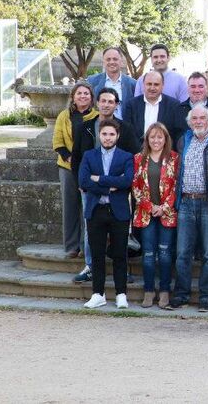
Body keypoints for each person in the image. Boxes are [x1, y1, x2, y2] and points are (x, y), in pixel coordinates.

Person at [70, 88, 139, 284]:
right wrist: (80, 182)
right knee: (90, 230)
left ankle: (121, 270)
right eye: (103, 101)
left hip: (118, 191)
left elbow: (134, 156)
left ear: (116, 105)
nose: (106, 105)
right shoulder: (85, 127)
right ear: (97, 103)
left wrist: (116, 183)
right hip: (89, 189)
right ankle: (90, 267)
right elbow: (76, 157)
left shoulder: (125, 129)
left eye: (111, 101)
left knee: (120, 231)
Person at [169, 106, 208, 311]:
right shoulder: (183, 140)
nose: (198, 121)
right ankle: (181, 294)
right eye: (194, 118)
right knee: (182, 253)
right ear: (189, 122)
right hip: (186, 202)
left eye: (202, 118)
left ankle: (206, 296)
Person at [78, 119, 134, 309]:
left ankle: (121, 294)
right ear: (99, 135)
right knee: (97, 254)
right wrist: (109, 186)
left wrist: (99, 179)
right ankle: (98, 294)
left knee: (120, 254)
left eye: (111, 134)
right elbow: (84, 181)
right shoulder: (89, 155)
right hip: (96, 210)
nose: (108, 138)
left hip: (118, 211)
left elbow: (127, 181)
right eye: (104, 134)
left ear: (117, 136)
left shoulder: (126, 157)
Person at [131, 122, 179, 309]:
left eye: (160, 137)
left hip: (167, 213)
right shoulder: (138, 158)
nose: (156, 140)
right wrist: (150, 206)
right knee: (149, 254)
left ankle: (165, 290)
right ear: (147, 139)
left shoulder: (174, 158)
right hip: (146, 213)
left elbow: (176, 186)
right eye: (152, 137)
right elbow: (135, 187)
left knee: (165, 254)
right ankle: (149, 290)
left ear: (165, 139)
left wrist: (164, 207)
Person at [54, 82, 99, 259]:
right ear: (73, 97)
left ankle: (85, 246)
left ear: (91, 97)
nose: (83, 96)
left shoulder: (96, 117)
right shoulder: (64, 116)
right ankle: (72, 246)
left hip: (89, 169)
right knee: (70, 206)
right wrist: (71, 159)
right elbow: (58, 142)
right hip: (67, 167)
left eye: (86, 93)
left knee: (88, 207)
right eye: (79, 93)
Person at [123, 71, 183, 145]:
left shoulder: (174, 105)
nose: (152, 88)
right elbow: (128, 132)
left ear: (162, 86)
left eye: (156, 84)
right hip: (137, 150)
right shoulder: (131, 105)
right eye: (149, 84)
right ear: (143, 85)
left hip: (165, 150)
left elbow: (176, 133)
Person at [86, 47, 136, 120]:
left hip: (124, 125)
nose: (112, 62)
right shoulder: (92, 81)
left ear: (121, 61)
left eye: (115, 59)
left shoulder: (132, 84)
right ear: (103, 62)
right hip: (98, 125)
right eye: (108, 59)